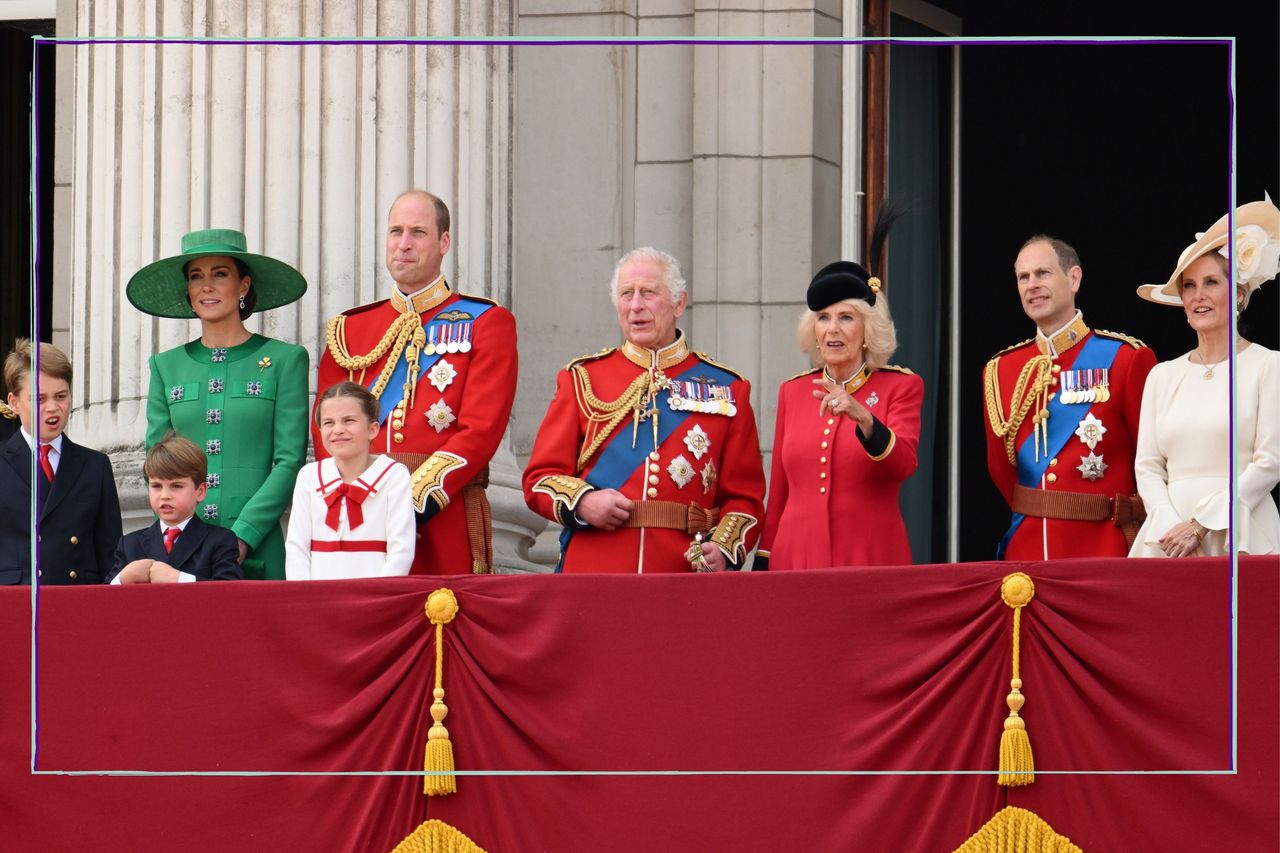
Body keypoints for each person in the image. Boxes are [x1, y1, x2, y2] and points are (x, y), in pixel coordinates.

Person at [523, 247, 766, 573]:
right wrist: (583, 502)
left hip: (682, 573)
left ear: (679, 303)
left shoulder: (728, 388)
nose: (635, 305)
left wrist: (723, 548)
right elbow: (540, 478)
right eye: (626, 294)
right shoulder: (582, 379)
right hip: (594, 569)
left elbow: (745, 497)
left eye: (648, 293)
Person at [315, 190, 517, 575]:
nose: (403, 244)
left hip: (442, 513)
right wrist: (354, 495)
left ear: (444, 242)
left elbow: (481, 430)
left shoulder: (486, 322)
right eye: (395, 232)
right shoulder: (350, 329)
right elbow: (327, 424)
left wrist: (413, 499)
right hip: (360, 515)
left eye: (418, 233)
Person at [127, 228, 309, 580]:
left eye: (219, 274)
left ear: (243, 285)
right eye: (196, 277)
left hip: (256, 547)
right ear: (188, 291)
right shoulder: (165, 366)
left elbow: (289, 460)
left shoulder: (285, 359)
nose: (206, 286)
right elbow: (158, 460)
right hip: (179, 547)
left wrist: (245, 534)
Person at [756, 213, 923, 569]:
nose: (833, 329)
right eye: (823, 318)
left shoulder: (901, 386)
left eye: (846, 317)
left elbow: (903, 464)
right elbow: (781, 490)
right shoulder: (793, 391)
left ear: (868, 330)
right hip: (795, 559)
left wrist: (864, 417)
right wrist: (764, 559)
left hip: (870, 557)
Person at [983, 235, 1157, 559]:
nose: (1032, 285)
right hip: (1028, 548)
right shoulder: (1000, 369)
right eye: (1024, 277)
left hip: (1104, 549)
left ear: (1074, 278)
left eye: (1043, 273)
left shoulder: (1126, 359)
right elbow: (1001, 469)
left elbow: (1151, 461)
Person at [1129, 196, 1280, 557]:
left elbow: (1270, 462)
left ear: (1239, 295)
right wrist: (1169, 526)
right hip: (1167, 540)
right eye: (1189, 286)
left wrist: (1202, 524)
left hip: (1242, 530)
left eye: (1211, 282)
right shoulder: (1161, 375)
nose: (1199, 296)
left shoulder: (1268, 365)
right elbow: (1147, 467)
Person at [0, 339, 122, 585]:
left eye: (61, 396)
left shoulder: (95, 466)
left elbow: (110, 555)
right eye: (39, 399)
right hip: (15, 605)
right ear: (14, 403)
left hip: (79, 604)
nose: (53, 408)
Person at [285, 382, 415, 580]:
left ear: (372, 429)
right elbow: (297, 547)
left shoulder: (394, 475)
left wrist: (381, 598)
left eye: (348, 421)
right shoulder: (308, 476)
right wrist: (304, 598)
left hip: (375, 598)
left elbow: (401, 550)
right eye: (328, 423)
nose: (338, 430)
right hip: (317, 598)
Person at [110, 434, 242, 583]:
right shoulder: (129, 544)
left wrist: (178, 579)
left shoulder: (220, 540)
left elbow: (229, 593)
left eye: (176, 486)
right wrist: (122, 579)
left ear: (200, 491)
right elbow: (100, 598)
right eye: (156, 486)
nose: (165, 495)